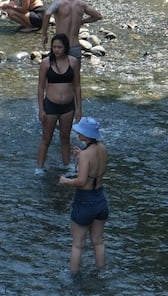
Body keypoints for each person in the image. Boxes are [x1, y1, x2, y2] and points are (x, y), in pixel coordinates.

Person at [60, 117, 108, 275]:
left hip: (84, 201)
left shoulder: (86, 154)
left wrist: (65, 181)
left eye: (80, 130)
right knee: (98, 242)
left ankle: (73, 278)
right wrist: (81, 156)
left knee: (77, 244)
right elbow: (94, 167)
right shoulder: (102, 148)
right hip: (100, 199)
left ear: (86, 135)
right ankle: (101, 273)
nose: (77, 132)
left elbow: (81, 181)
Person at [37, 34, 82, 176]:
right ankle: (39, 167)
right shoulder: (45, 63)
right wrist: (41, 109)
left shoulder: (73, 62)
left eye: (59, 47)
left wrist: (79, 108)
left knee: (65, 137)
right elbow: (40, 87)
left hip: (68, 107)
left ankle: (67, 165)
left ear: (65, 48)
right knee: (46, 138)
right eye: (54, 47)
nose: (56, 50)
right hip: (50, 105)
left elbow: (77, 86)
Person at [39, 0, 103, 57]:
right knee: (75, 68)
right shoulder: (81, 4)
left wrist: (44, 35)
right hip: (75, 46)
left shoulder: (58, 3)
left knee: (57, 68)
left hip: (61, 45)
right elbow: (98, 16)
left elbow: (47, 14)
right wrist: (83, 21)